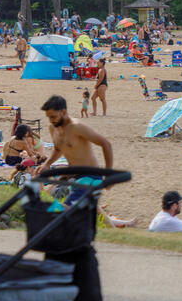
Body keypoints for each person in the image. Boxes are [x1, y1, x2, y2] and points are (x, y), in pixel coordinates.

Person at [36, 94, 135, 228]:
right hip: (74, 175)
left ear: (63, 112)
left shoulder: (77, 127)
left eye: (53, 116)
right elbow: (58, 149)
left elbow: (106, 144)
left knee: (65, 210)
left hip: (90, 175)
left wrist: (109, 174)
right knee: (88, 210)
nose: (50, 120)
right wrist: (47, 164)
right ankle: (115, 227)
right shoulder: (52, 128)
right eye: (48, 117)